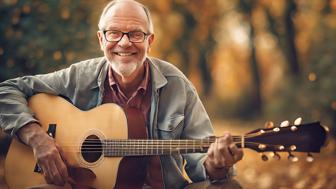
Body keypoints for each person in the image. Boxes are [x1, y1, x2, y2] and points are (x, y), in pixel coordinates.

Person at [0, 0, 243, 188]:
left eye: (136, 34)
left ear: (151, 41)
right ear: (100, 39)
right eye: (114, 33)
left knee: (229, 187)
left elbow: (202, 164)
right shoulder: (79, 77)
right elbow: (7, 90)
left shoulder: (177, 86)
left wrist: (215, 166)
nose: (124, 43)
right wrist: (37, 138)